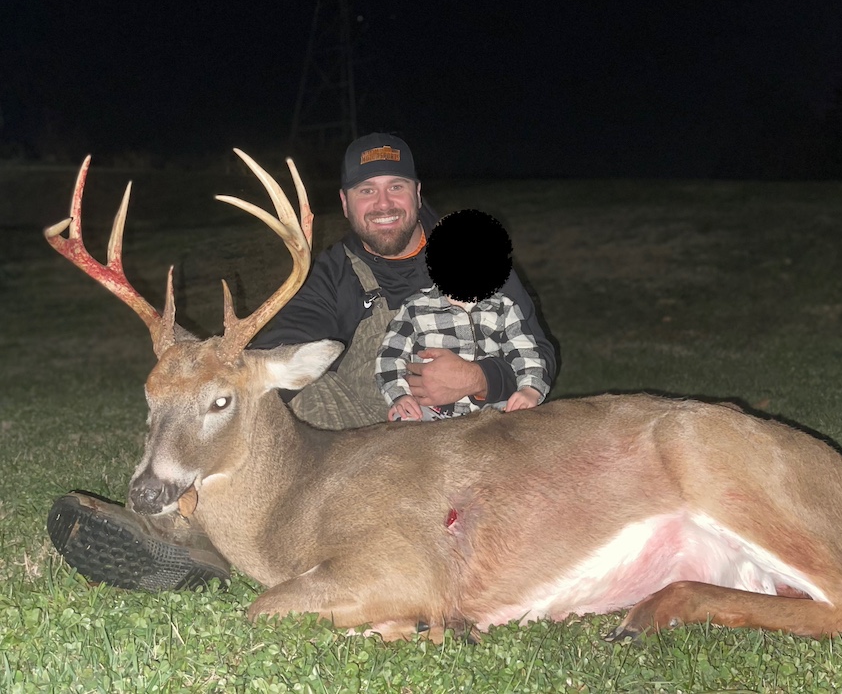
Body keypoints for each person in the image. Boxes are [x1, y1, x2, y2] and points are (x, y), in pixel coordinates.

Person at [46, 132, 557, 592]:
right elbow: (288, 341)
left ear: (417, 193)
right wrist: (219, 375)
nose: (383, 204)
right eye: (366, 190)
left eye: (395, 187)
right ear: (346, 202)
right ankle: (184, 526)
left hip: (473, 428)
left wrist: (479, 377)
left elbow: (538, 351)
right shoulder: (335, 273)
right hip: (377, 418)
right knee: (262, 406)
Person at [378, 208, 549, 421]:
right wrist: (399, 395)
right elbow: (390, 356)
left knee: (523, 422)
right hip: (428, 411)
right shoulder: (414, 308)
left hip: (489, 411)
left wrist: (530, 390)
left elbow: (527, 354)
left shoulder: (503, 308)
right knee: (402, 420)